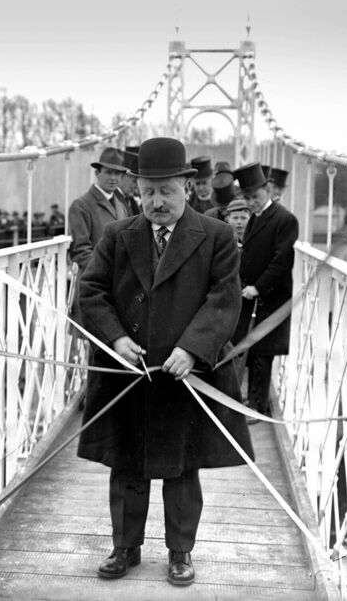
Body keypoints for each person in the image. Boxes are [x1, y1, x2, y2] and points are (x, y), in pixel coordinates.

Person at [77, 137, 254, 587]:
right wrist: (115, 339)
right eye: (148, 192)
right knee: (127, 465)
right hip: (128, 374)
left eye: (167, 192)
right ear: (137, 189)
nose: (157, 202)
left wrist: (192, 348)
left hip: (185, 375)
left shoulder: (215, 236)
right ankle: (125, 547)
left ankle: (180, 553)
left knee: (181, 468)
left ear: (187, 187)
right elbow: (91, 292)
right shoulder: (118, 236)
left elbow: (224, 299)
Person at [230, 162, 298, 422]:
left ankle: (257, 407)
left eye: (255, 197)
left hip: (270, 299)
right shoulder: (256, 218)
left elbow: (282, 261)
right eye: (247, 198)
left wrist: (258, 287)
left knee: (262, 355)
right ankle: (252, 401)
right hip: (251, 296)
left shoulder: (284, 220)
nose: (252, 203)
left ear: (267, 190)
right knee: (253, 352)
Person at [68, 147, 129, 276]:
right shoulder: (81, 205)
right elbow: (80, 251)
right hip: (93, 283)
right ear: (97, 173)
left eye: (117, 173)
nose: (113, 178)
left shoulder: (121, 207)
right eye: (108, 172)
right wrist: (107, 272)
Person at [115, 146, 142, 216]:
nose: (136, 187)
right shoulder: (113, 200)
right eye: (134, 181)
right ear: (121, 176)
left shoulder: (131, 200)